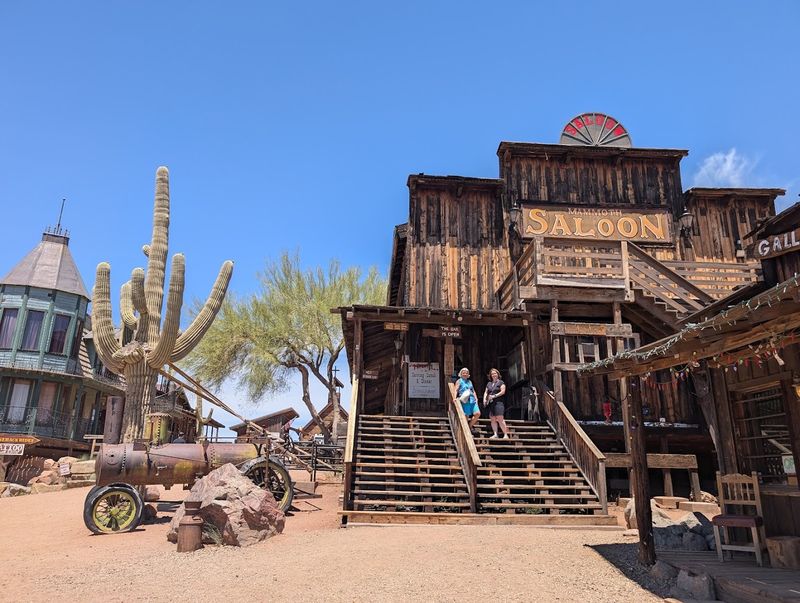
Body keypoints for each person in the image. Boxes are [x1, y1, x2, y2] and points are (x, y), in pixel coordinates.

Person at [484, 368, 510, 439]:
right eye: (492, 374)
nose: (493, 375)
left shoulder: (501, 382)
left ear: (498, 374)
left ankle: (505, 434)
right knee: (492, 419)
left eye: (495, 373)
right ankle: (495, 434)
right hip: (491, 403)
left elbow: (503, 391)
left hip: (498, 402)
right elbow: (486, 392)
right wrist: (484, 400)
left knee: (500, 418)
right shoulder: (489, 383)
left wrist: (494, 396)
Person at [455, 367, 481, 433]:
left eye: (466, 373)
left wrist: (476, 398)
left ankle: (469, 425)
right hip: (465, 399)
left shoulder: (469, 381)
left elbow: (473, 390)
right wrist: (454, 398)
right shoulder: (459, 381)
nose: (465, 374)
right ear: (461, 374)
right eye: (463, 373)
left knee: (477, 413)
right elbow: (456, 390)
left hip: (472, 399)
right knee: (466, 415)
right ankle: (466, 430)